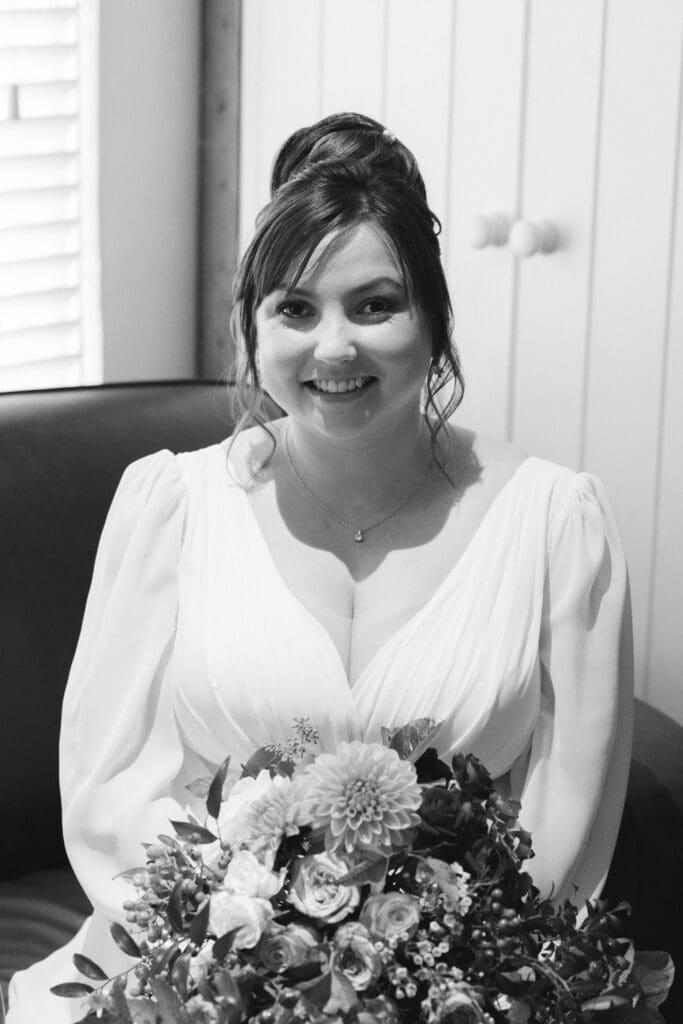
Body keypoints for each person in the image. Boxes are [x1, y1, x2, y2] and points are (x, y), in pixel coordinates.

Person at [7, 112, 633, 1022]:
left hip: (456, 988)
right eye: (294, 309)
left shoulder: (553, 520)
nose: (332, 346)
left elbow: (569, 805)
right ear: (253, 328)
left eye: (374, 304)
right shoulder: (172, 507)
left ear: (433, 316)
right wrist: (239, 938)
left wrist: (438, 962)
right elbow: (109, 787)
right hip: (190, 971)